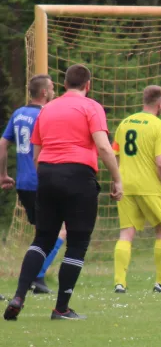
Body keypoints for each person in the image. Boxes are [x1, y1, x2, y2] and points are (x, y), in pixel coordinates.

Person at [3, 64, 123, 321]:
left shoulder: (46, 110)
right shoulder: (91, 107)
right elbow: (103, 146)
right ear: (87, 85)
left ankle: (19, 296)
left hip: (45, 175)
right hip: (78, 176)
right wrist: (117, 179)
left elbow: (36, 155)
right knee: (77, 244)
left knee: (42, 240)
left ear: (65, 84)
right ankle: (61, 309)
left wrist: (48, 177)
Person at [0, 74, 66, 294]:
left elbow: (2, 144)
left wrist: (3, 174)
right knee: (60, 230)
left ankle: (36, 277)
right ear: (44, 92)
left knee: (43, 231)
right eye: (53, 88)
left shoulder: (18, 114)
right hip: (42, 181)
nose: (55, 92)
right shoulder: (46, 114)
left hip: (23, 182)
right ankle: (36, 276)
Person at [112, 85, 161, 294]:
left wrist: (117, 180)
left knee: (126, 233)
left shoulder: (125, 123)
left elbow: (115, 155)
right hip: (150, 187)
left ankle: (120, 283)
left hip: (126, 185)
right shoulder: (159, 126)